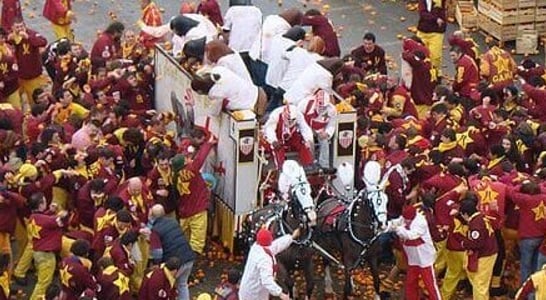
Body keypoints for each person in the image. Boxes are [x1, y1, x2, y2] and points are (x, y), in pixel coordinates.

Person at [173, 135, 216, 255]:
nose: (188, 159)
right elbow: (200, 159)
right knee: (197, 240)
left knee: (183, 237)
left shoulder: (174, 175)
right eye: (186, 159)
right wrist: (209, 143)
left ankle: (181, 256)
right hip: (197, 209)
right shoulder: (190, 170)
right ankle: (192, 262)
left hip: (183, 210)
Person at [387, 205, 441, 299]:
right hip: (413, 258)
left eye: (408, 220)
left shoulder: (421, 222)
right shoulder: (404, 218)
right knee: (410, 282)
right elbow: (395, 223)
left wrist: (398, 229)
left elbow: (411, 235)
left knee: (430, 284)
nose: (406, 221)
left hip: (425, 259)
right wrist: (386, 225)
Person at [148, 204, 196, 300]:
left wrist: (156, 264)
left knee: (169, 286)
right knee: (183, 285)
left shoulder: (155, 230)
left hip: (175, 263)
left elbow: (157, 251)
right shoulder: (173, 222)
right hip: (189, 257)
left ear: (152, 216)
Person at [27, 192, 69, 300]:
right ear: (40, 205)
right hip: (46, 256)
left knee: (42, 281)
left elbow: (44, 220)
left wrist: (50, 211)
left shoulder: (32, 217)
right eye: (45, 202)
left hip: (38, 253)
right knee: (43, 285)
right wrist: (62, 213)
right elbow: (59, 221)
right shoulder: (48, 220)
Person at [238, 227, 300, 300]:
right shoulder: (264, 260)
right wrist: (280, 293)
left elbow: (276, 245)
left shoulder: (257, 247)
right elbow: (267, 281)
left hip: (249, 290)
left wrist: (291, 237)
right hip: (254, 295)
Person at [459, 198, 499, 300]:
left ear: (466, 214)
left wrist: (465, 243)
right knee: (479, 282)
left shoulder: (475, 224)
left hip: (485, 255)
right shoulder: (481, 217)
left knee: (480, 284)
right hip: (489, 251)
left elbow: (477, 242)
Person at [8, 17, 48, 106]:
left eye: (21, 26)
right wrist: (8, 40)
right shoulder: (11, 37)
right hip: (17, 77)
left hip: (32, 76)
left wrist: (28, 38)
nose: (19, 29)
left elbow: (43, 42)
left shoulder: (32, 34)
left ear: (25, 26)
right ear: (12, 28)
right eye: (17, 27)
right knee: (15, 100)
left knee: (35, 101)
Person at [264, 104, 314, 168]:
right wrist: (273, 140)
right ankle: (280, 168)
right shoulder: (276, 114)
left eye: (293, 120)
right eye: (289, 120)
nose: (290, 122)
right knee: (277, 148)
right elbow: (269, 129)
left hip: (291, 134)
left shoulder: (298, 114)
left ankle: (308, 165)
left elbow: (304, 128)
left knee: (303, 144)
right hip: (277, 136)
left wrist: (309, 140)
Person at [297, 90, 336, 168]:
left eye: (324, 106)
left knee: (324, 140)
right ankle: (308, 163)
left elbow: (332, 124)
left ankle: (324, 165)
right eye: (321, 105)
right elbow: (297, 117)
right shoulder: (305, 103)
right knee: (308, 140)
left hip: (319, 128)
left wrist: (327, 133)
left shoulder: (332, 109)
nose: (322, 108)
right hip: (305, 126)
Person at [416, 0, 446, 73]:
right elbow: (422, 13)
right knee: (419, 54)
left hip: (436, 33)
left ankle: (435, 75)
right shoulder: (423, 1)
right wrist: (436, 19)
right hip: (423, 33)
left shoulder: (441, 2)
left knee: (435, 56)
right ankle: (421, 74)